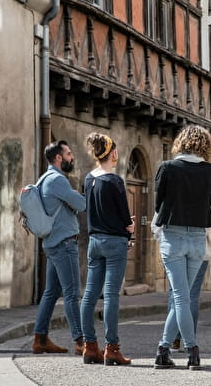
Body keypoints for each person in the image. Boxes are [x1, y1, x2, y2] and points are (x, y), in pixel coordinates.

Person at [153, 125, 211, 370]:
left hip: (173, 235)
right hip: (198, 237)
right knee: (185, 298)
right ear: (205, 145)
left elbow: (159, 204)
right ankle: (162, 349)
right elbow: (206, 202)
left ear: (181, 142)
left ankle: (192, 349)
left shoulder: (167, 168)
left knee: (180, 298)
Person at [80, 133, 134, 366]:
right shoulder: (114, 181)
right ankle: (112, 348)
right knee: (111, 295)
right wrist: (129, 226)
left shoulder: (88, 179)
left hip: (95, 242)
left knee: (90, 294)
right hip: (114, 242)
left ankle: (89, 346)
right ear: (113, 153)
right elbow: (125, 218)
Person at [32, 140, 86, 355]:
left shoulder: (44, 179)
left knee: (51, 292)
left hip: (52, 243)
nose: (72, 157)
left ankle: (40, 339)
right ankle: (82, 341)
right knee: (72, 293)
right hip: (64, 244)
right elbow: (82, 205)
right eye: (69, 153)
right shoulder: (57, 180)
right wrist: (77, 196)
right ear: (58, 158)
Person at [168, 231, 211, 352]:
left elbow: (157, 224)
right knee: (192, 295)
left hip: (175, 248)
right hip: (200, 248)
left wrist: (164, 241)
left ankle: (174, 340)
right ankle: (190, 343)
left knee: (176, 294)